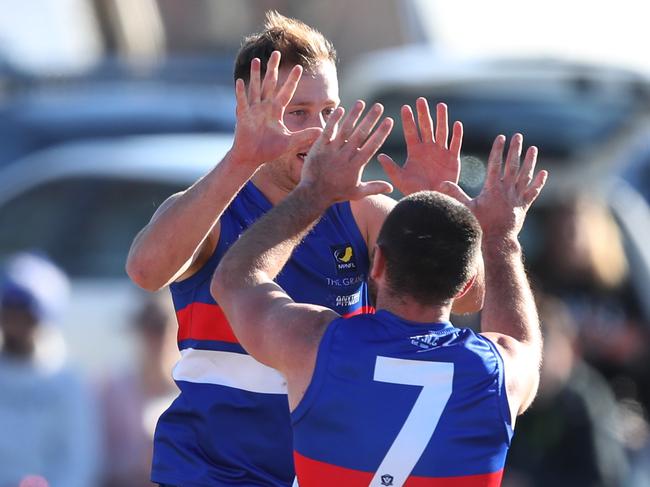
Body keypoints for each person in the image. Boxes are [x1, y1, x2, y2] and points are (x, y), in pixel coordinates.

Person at [126, 11, 482, 486]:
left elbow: (466, 297)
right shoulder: (213, 204)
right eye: (299, 112)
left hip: (321, 471)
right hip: (210, 471)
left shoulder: (361, 208)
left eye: (329, 111)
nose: (318, 129)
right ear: (248, 107)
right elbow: (145, 271)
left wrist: (438, 207)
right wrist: (243, 156)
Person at [211, 102, 547, 485]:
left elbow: (234, 280)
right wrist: (502, 240)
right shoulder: (497, 373)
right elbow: (523, 343)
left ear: (378, 263)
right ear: (467, 283)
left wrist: (315, 193)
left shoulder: (316, 344)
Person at [0, 252, 99, 487]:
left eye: (27, 313)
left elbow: (79, 461)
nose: (17, 321)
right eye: (9, 309)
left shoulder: (68, 381)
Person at [97, 292, 179, 487]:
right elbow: (101, 463)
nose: (158, 336)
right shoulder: (112, 390)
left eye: (162, 325)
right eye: (149, 325)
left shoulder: (194, 393)